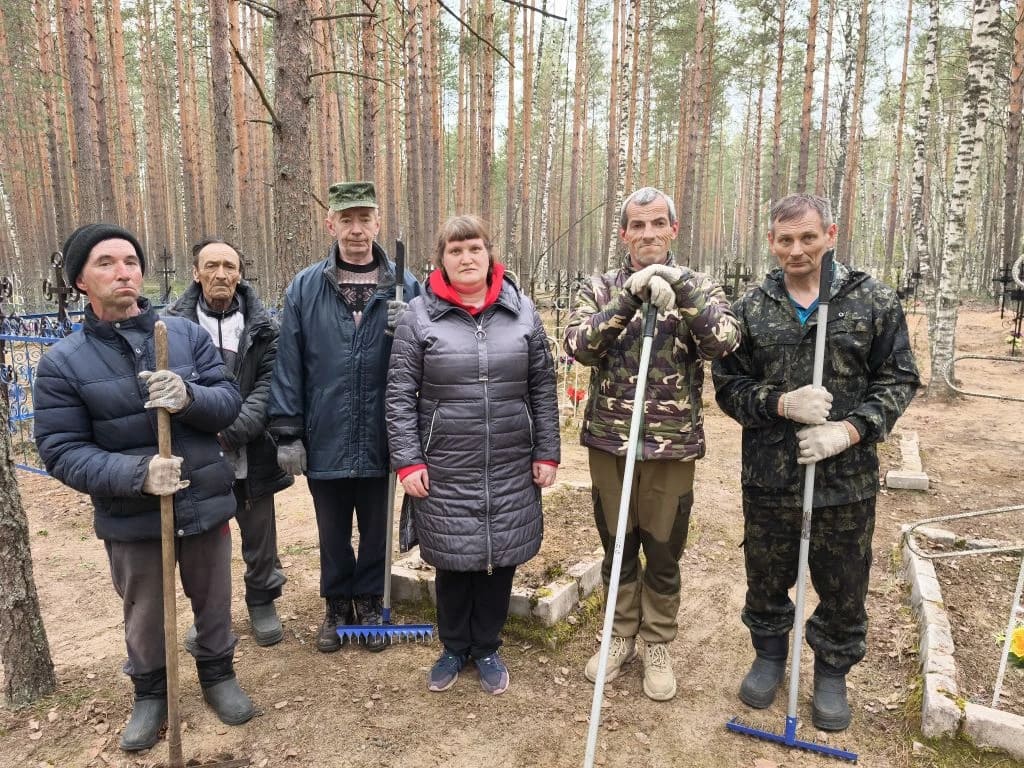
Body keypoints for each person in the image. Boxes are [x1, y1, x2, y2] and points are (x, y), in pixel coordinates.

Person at [33, 224, 255, 753]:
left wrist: (188, 397)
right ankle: (151, 693)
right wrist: (138, 476)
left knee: (215, 601)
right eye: (106, 262)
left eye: (130, 260)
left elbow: (228, 402)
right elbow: (62, 450)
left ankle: (218, 676)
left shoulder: (183, 336)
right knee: (144, 610)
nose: (123, 271)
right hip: (132, 516)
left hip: (203, 502)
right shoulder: (63, 363)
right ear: (82, 281)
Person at [712, 193, 920, 731]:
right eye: (785, 240)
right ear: (772, 242)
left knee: (844, 580)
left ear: (831, 233)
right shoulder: (752, 307)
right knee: (766, 574)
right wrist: (778, 403)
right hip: (770, 476)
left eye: (808, 237)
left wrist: (850, 431)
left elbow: (898, 378)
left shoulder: (870, 299)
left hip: (844, 479)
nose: (797, 249)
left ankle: (831, 670)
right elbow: (728, 385)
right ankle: (769, 654)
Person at [564, 186, 740, 702]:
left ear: (673, 230)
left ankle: (657, 641)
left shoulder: (702, 286)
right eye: (636, 226)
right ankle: (620, 635)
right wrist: (627, 298)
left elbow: (725, 342)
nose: (647, 234)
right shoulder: (598, 288)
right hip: (610, 442)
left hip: (671, 444)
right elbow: (580, 347)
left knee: (663, 547)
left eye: (657, 224)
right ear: (623, 233)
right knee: (617, 545)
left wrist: (681, 292)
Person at [386, 214, 560, 695]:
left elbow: (543, 387)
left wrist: (547, 450)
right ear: (441, 258)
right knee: (451, 558)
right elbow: (399, 394)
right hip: (445, 463)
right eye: (456, 250)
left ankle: (486, 646)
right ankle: (453, 647)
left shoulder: (522, 312)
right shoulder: (419, 317)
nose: (466, 258)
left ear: (489, 254)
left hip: (509, 459)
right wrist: (409, 459)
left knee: (500, 559)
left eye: (475, 249)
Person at [268, 181, 421, 653]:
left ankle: (370, 602)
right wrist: (289, 431)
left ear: (378, 223)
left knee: (375, 526)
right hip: (326, 429)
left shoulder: (404, 285)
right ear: (330, 223)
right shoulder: (306, 286)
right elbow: (288, 360)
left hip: (382, 431)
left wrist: (410, 326)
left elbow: (426, 358)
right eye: (346, 219)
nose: (356, 230)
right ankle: (337, 605)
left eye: (365, 219)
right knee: (331, 526)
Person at [166, 237, 294, 648]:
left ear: (240, 273)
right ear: (196, 273)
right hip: (195, 454)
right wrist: (204, 433)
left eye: (229, 266)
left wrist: (227, 430)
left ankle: (262, 600)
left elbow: (268, 387)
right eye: (211, 266)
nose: (221, 274)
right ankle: (209, 615)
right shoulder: (172, 327)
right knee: (203, 540)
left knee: (259, 535)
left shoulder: (264, 327)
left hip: (251, 449)